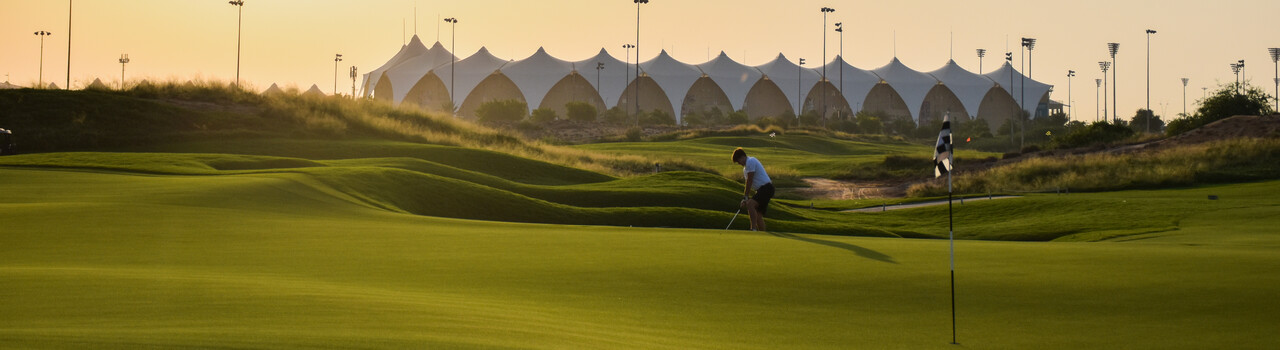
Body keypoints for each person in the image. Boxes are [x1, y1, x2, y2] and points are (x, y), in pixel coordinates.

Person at [731, 147, 773, 231]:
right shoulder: (745, 168)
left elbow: (749, 180)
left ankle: (753, 229)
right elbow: (749, 182)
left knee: (750, 204)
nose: (739, 163)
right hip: (762, 190)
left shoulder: (751, 161)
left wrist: (746, 197)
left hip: (767, 188)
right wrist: (745, 198)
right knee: (758, 213)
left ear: (742, 157)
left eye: (738, 161)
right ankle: (762, 233)